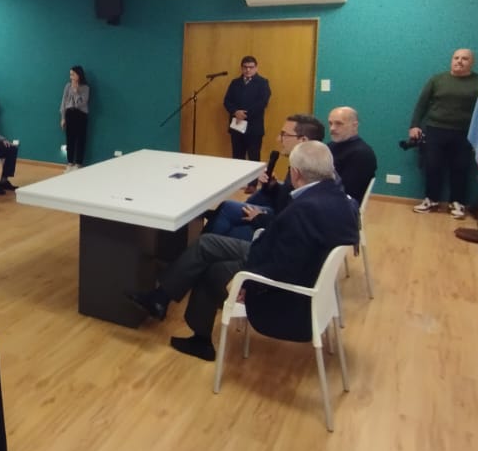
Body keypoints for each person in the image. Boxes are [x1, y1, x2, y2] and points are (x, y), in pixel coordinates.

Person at [126, 141, 359, 361]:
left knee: (212, 270)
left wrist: (249, 285)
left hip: (276, 277)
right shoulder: (337, 196)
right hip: (278, 256)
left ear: (296, 173)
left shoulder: (305, 209)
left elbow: (283, 266)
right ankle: (161, 298)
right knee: (206, 243)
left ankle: (200, 340)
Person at [204, 114, 324, 242]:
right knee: (227, 211)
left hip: (281, 233)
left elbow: (294, 221)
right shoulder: (301, 164)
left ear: (303, 140)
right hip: (277, 218)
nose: (278, 139)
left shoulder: (311, 172)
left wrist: (260, 218)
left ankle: (203, 244)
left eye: (284, 135)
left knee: (226, 223)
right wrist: (274, 186)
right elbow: (288, 198)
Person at [409, 48, 478, 218]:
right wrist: (414, 125)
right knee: (432, 166)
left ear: (472, 63)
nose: (459, 61)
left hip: (464, 132)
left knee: (460, 168)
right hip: (436, 129)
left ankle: (457, 203)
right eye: (456, 58)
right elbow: (422, 104)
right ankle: (431, 200)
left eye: (464, 59)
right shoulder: (437, 80)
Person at [223, 56, 271, 190]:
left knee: (254, 156)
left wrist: (245, 114)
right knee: (237, 156)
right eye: (245, 67)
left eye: (251, 67)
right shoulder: (235, 83)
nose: (248, 70)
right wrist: (235, 112)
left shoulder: (263, 83)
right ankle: (238, 183)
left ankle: (252, 184)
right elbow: (226, 101)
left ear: (256, 68)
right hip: (236, 125)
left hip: (254, 127)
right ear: (241, 68)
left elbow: (263, 102)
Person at [327, 107, 378, 205]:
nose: (332, 128)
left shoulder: (361, 154)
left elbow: (348, 191)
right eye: (330, 123)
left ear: (355, 125)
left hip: (342, 205)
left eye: (338, 123)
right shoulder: (331, 146)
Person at [60, 65, 91, 170]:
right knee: (70, 139)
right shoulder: (67, 86)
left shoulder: (85, 87)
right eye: (70, 75)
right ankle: (69, 163)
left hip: (81, 114)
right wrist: (63, 117)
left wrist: (76, 91)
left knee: (81, 139)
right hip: (70, 114)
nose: (71, 77)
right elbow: (64, 102)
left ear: (79, 75)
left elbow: (81, 103)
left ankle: (78, 164)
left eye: (73, 74)